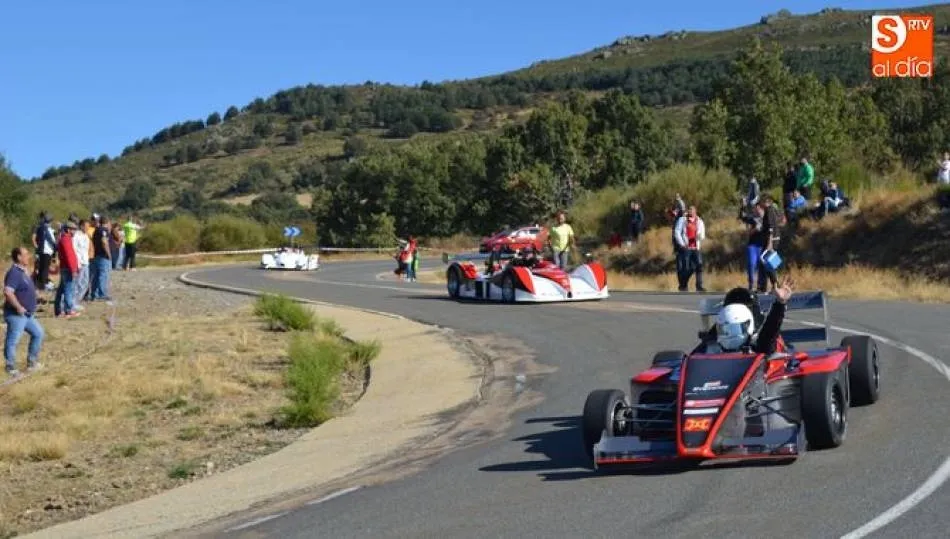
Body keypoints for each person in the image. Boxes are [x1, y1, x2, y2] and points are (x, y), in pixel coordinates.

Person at [698, 276, 794, 355]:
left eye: (735, 328)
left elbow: (770, 331)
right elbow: (693, 359)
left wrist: (780, 303)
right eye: (725, 329)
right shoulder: (711, 346)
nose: (730, 334)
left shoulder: (761, 345)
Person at [4, 247, 45, 376]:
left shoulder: (23, 272)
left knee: (38, 333)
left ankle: (32, 363)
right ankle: (10, 367)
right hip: (16, 314)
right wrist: (18, 307)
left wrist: (37, 296)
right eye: (26, 254)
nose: (28, 256)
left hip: (27, 314)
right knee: (13, 340)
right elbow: (8, 292)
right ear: (18, 257)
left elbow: (26, 288)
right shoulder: (14, 273)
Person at [674, 205, 706, 292]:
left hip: (696, 247)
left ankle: (699, 286)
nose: (690, 212)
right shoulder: (683, 220)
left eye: (692, 210)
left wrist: (699, 236)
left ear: (695, 211)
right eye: (689, 210)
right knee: (687, 268)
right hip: (686, 247)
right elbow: (677, 232)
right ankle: (683, 285)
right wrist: (682, 243)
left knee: (699, 265)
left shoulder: (699, 221)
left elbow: (702, 234)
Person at [54, 221, 81, 318]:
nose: (75, 231)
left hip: (65, 267)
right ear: (68, 230)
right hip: (67, 268)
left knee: (62, 289)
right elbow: (69, 256)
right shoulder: (66, 239)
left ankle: (58, 310)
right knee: (68, 290)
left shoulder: (66, 238)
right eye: (74, 229)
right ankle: (68, 310)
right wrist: (73, 269)